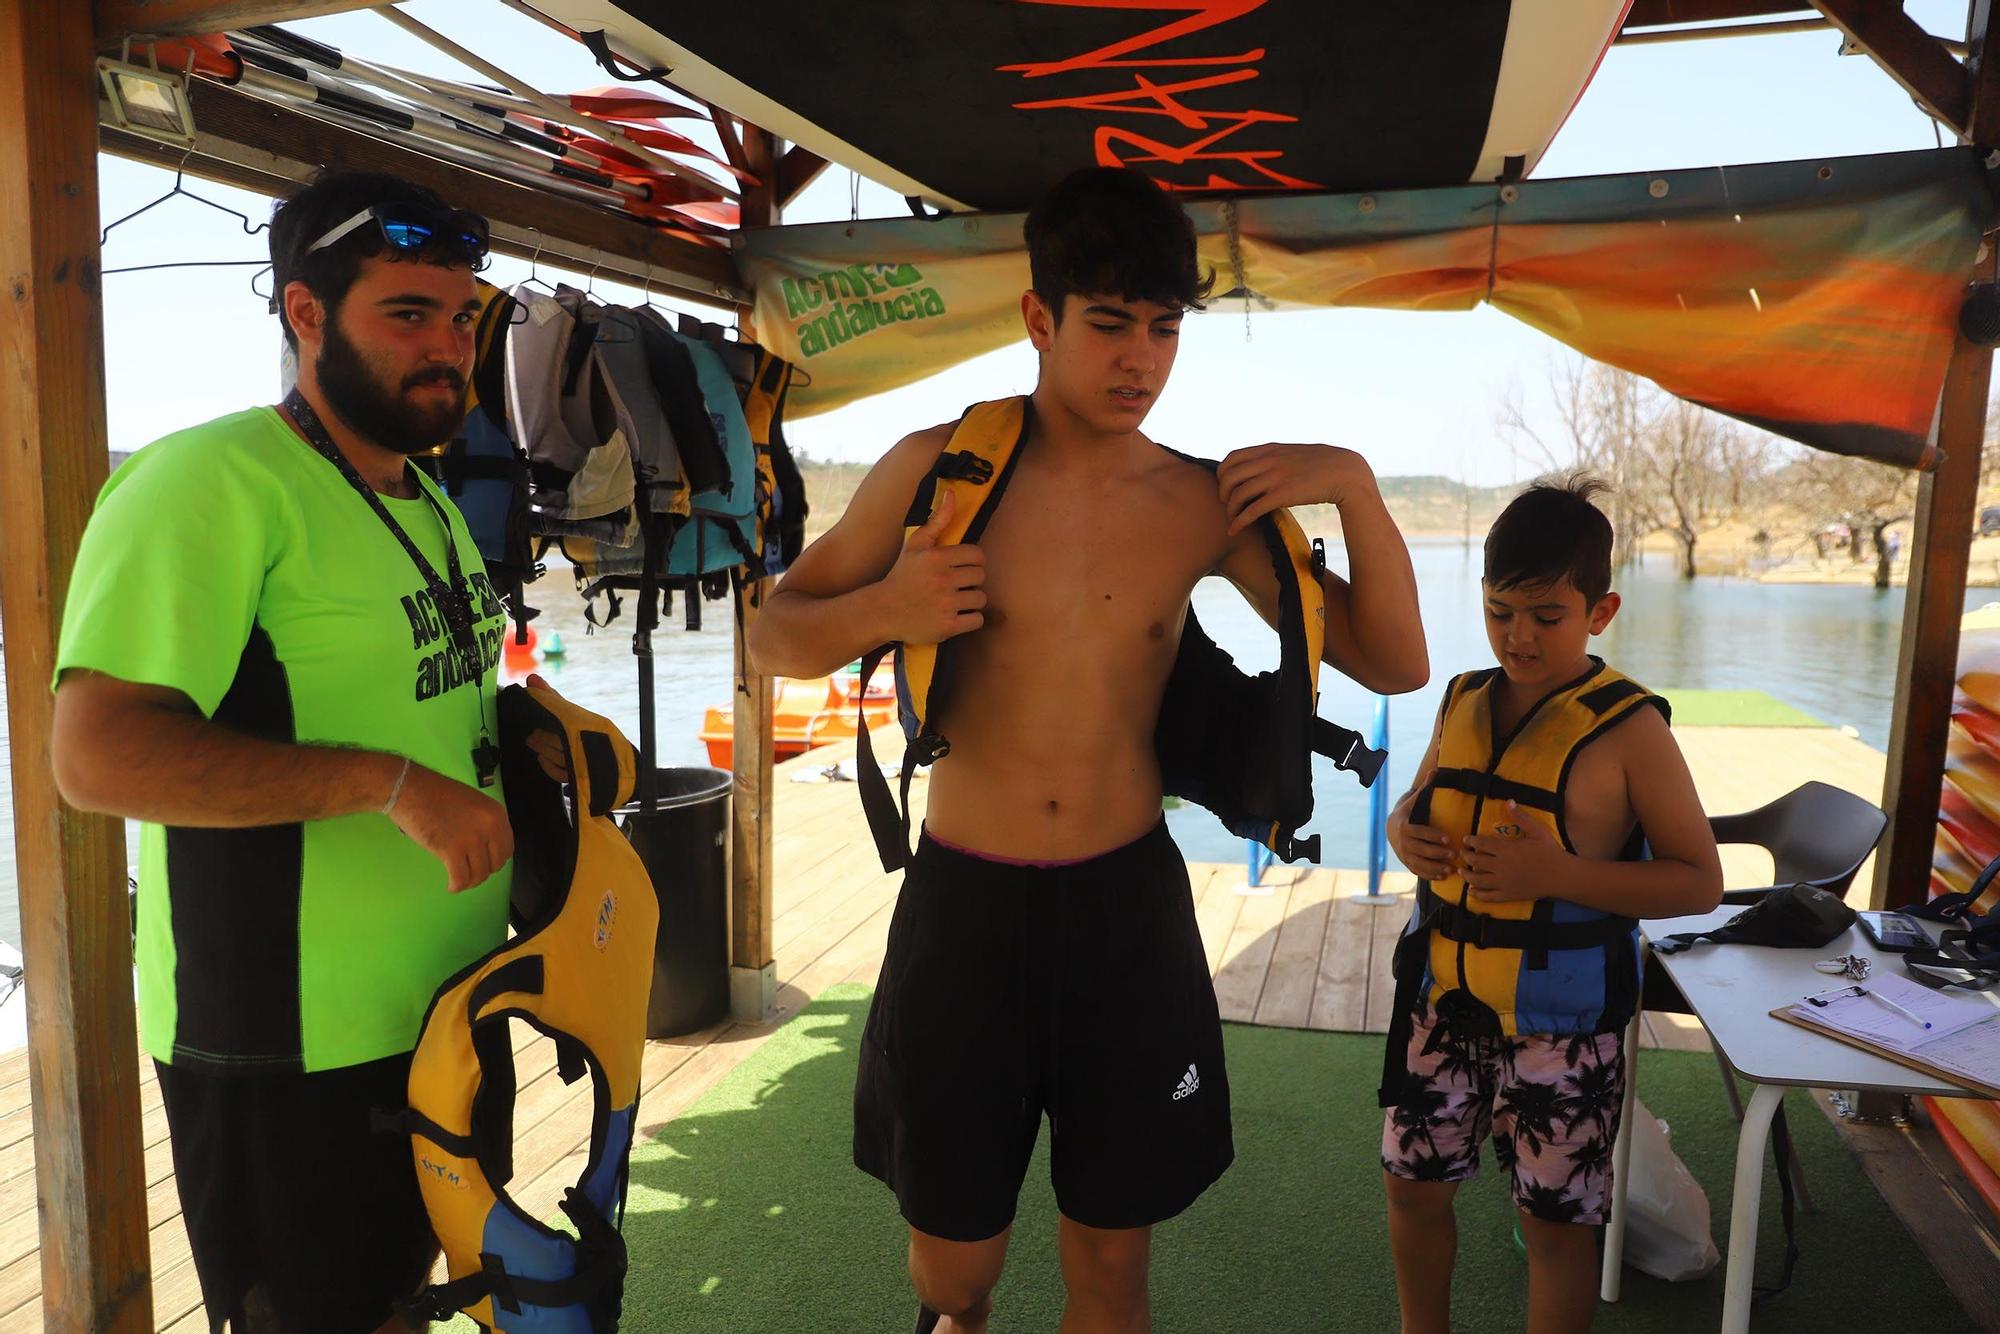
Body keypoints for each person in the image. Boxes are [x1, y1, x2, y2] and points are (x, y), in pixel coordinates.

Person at [747, 166, 1428, 1334]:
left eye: (1163, 329)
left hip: (1126, 915)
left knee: (1111, 1265)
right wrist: (883, 609)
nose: (1140, 360)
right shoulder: (936, 471)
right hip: (962, 909)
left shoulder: (1202, 503)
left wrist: (1354, 489)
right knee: (953, 1277)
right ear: (1038, 320)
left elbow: (1391, 661)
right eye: (1109, 324)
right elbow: (771, 632)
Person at [51, 170, 525, 1334]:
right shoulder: (207, 481)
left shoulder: (423, 496)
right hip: (288, 1056)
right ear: (305, 314)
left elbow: (422, 691)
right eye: (406, 313)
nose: (448, 347)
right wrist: (387, 783)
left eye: (463, 317)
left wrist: (542, 732)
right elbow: (96, 756)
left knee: (419, 1305)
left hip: (447, 1010)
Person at [1381, 476, 1722, 1334]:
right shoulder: (1462, 697)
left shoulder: (1631, 729)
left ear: (1599, 612)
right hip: (1445, 1006)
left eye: (1546, 615)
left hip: (1564, 1027)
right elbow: (1421, 802)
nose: (1518, 637)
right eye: (1500, 612)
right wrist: (1401, 832)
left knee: (1554, 1226)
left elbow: (1698, 881)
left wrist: (1556, 874)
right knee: (1413, 1187)